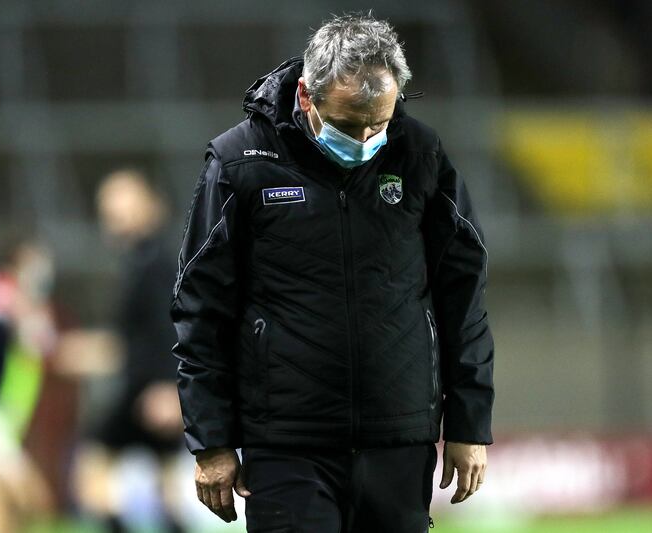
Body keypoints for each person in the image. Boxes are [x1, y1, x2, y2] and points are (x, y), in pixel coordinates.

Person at [171, 13, 495, 532]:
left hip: (398, 437)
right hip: (286, 444)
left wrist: (469, 422)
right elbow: (199, 309)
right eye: (348, 125)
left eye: (379, 123)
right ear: (306, 96)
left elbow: (464, 298)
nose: (366, 137)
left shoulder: (420, 154)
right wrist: (212, 441)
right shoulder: (239, 163)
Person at [73, 169, 184, 533]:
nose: (112, 213)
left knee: (93, 470)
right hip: (147, 387)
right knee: (163, 486)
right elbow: (130, 338)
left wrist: (170, 387)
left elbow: (170, 326)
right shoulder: (141, 259)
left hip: (149, 390)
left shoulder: (156, 263)